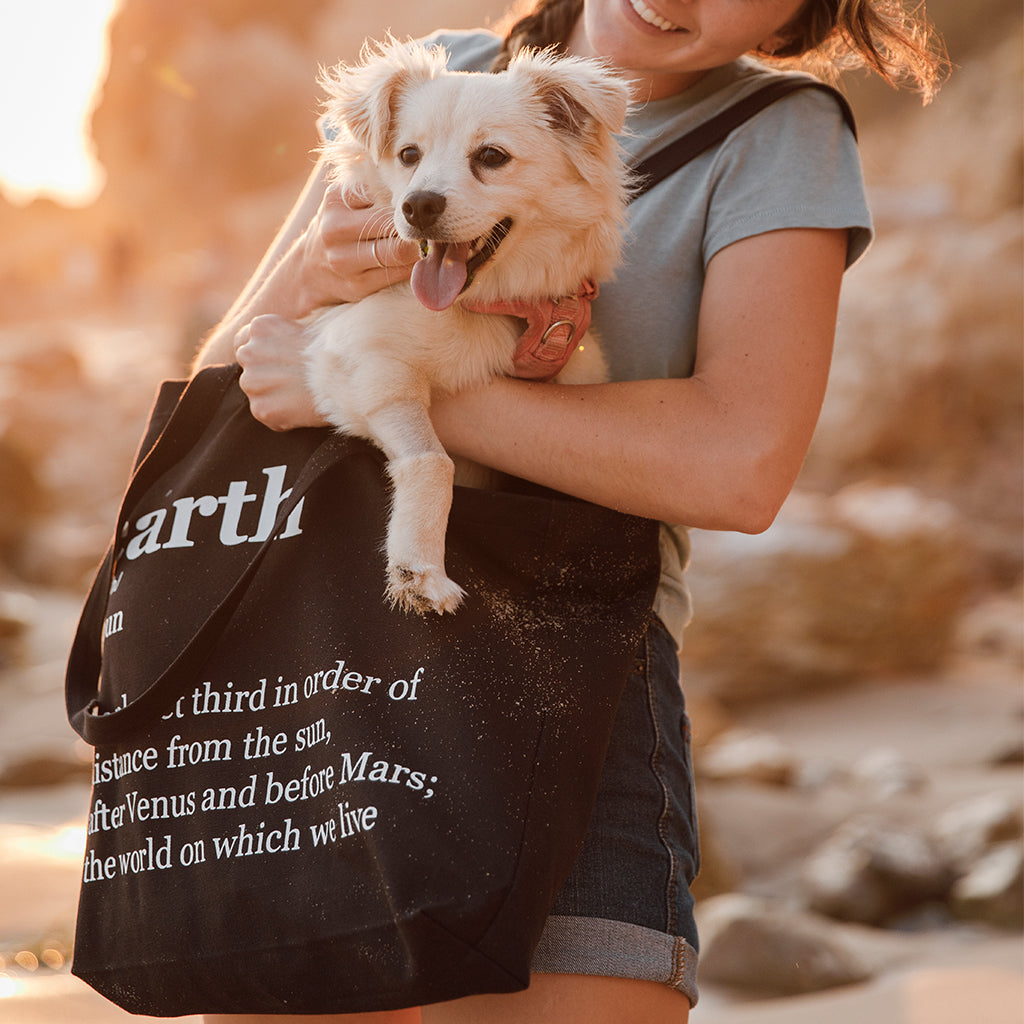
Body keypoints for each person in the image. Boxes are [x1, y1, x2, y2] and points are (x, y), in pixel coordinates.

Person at [195, 1, 945, 1021]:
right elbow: (222, 395)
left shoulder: (779, 133)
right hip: (324, 660)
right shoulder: (431, 78)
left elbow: (737, 469)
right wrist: (323, 275)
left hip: (576, 674)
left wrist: (398, 393)